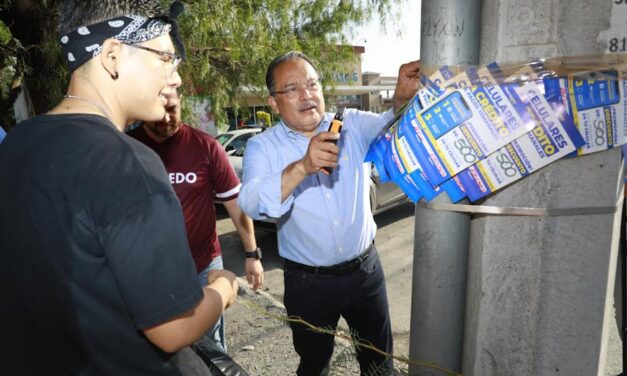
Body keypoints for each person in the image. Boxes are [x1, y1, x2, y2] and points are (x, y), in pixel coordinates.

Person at [0, 1, 238, 374]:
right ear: (112, 55)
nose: (175, 77)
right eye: (165, 58)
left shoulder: (16, 144)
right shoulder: (129, 165)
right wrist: (224, 288)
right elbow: (173, 328)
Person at [238, 51, 421, 375]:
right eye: (292, 89)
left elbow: (390, 128)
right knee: (314, 363)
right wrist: (302, 167)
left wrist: (401, 101)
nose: (307, 94)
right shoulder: (263, 147)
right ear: (273, 102)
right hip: (308, 283)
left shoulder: (351, 124)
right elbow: (251, 202)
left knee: (379, 363)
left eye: (312, 84)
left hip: (365, 273)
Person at [127, 90, 264, 353]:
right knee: (159, 345)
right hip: (149, 270)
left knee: (210, 345)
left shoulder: (205, 146)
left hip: (204, 265)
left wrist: (252, 254)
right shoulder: (126, 148)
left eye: (173, 109)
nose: (167, 117)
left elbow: (235, 205)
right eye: (160, 110)